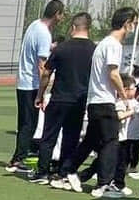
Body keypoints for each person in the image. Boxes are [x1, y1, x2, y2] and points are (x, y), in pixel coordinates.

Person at [59, 6, 138, 200]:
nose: (134, 27)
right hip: (104, 100)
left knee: (91, 140)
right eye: (134, 23)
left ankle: (68, 171)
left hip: (96, 100)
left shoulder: (103, 43)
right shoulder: (113, 45)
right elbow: (113, 73)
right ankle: (104, 183)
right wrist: (124, 96)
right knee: (111, 142)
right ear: (127, 24)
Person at [39, 13, 97, 187]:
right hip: (79, 99)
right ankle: (63, 171)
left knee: (49, 136)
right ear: (89, 28)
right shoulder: (94, 50)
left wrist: (40, 94)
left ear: (73, 27)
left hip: (59, 98)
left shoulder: (61, 48)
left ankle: (42, 171)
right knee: (71, 138)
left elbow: (46, 73)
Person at [9, 0, 65, 172]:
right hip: (31, 83)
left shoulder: (35, 25)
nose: (62, 19)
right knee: (29, 124)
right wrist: (42, 91)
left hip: (24, 81)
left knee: (26, 122)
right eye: (62, 15)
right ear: (57, 14)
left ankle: (20, 156)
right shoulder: (44, 33)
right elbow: (42, 65)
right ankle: (19, 159)